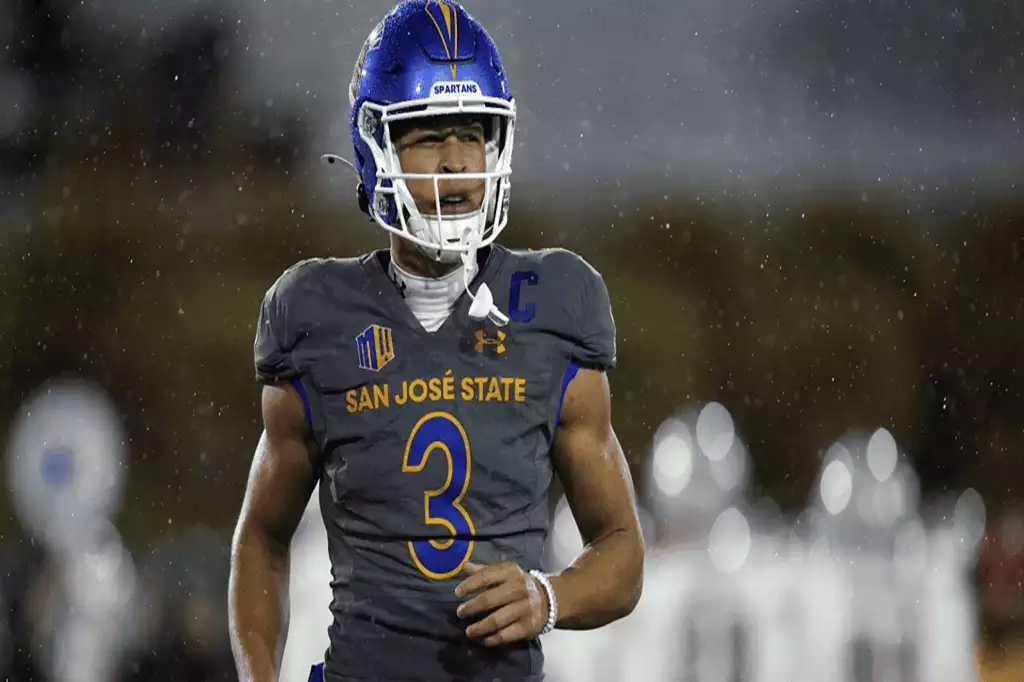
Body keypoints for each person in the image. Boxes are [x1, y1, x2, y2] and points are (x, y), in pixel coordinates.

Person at [227, 2, 644, 680]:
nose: (455, 165)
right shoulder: (314, 316)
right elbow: (264, 538)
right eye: (426, 137)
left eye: (472, 135)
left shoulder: (555, 307)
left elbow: (622, 549)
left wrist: (548, 596)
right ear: (376, 146)